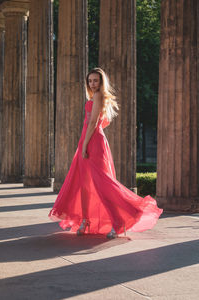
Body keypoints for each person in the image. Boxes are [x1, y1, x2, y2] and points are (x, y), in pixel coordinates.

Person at [49, 67, 163, 238]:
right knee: (85, 185)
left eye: (96, 80)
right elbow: (104, 121)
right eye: (90, 81)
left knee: (103, 184)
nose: (92, 83)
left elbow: (94, 121)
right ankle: (86, 221)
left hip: (92, 143)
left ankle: (119, 220)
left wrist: (86, 143)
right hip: (91, 140)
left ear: (101, 82)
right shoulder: (95, 97)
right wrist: (85, 141)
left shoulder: (98, 96)